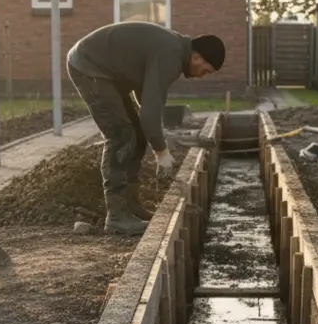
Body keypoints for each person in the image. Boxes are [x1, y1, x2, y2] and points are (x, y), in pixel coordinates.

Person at [66, 21, 225, 235]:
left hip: (105, 71)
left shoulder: (174, 50)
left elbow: (148, 100)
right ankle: (116, 217)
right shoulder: (171, 55)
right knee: (121, 136)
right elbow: (149, 112)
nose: (203, 75)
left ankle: (130, 206)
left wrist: (151, 129)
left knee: (137, 134)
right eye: (206, 70)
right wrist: (162, 152)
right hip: (90, 67)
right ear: (197, 57)